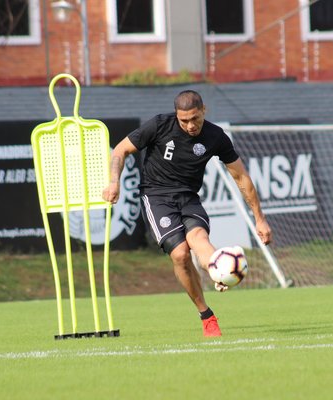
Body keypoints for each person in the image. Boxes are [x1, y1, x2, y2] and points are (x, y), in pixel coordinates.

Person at [102, 90, 272, 337]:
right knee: (180, 254)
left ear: (204, 110)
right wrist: (114, 182)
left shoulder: (216, 137)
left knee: (200, 240)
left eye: (195, 118)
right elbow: (120, 150)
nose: (190, 125)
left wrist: (260, 218)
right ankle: (206, 315)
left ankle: (218, 270)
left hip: (189, 198)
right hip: (157, 197)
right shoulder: (160, 125)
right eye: (184, 121)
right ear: (176, 116)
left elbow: (241, 176)